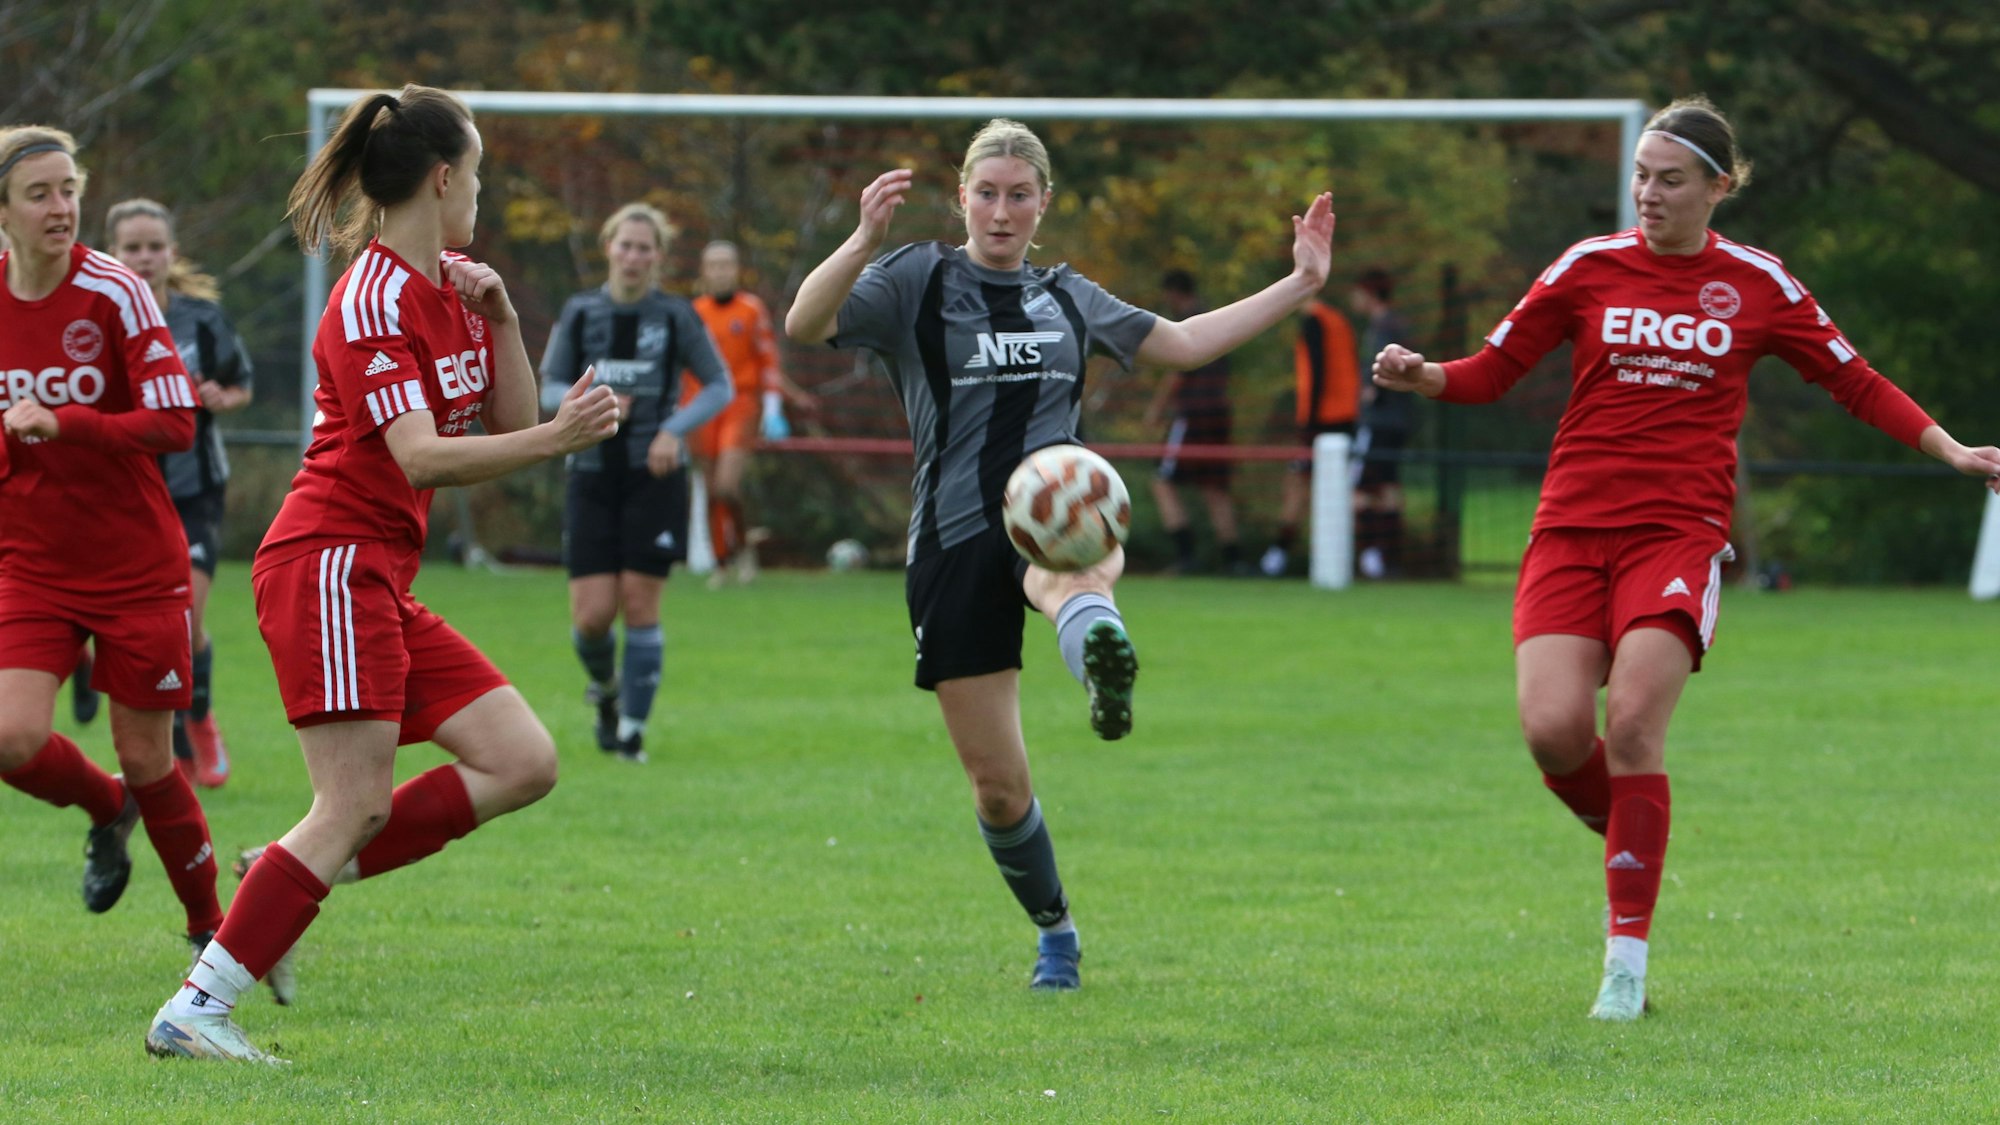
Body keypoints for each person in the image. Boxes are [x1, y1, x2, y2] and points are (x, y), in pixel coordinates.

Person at [1371, 95, 2000, 1021]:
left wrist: (1950, 447)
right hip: (1570, 530)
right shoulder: (1587, 267)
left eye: (1670, 181)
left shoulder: (1759, 285)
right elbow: (1494, 369)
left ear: (1718, 187)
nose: (1648, 196)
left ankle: (1624, 967)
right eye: (1640, 177)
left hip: (1677, 535)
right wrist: (1427, 375)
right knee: (1552, 730)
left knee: (1631, 726)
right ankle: (1633, 831)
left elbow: (1853, 379)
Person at [786, 119, 1333, 990]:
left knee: (1070, 563)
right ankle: (1056, 929)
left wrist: (1301, 283)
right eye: (988, 194)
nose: (1002, 212)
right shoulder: (916, 278)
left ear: (1043, 205)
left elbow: (1185, 342)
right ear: (963, 197)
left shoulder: (1067, 295)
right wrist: (860, 240)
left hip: (1053, 510)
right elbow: (806, 320)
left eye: (1020, 195)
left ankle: (1099, 662)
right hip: (951, 539)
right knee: (999, 788)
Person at [145, 84, 620, 1063]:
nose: (479, 195)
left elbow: (502, 419)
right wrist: (556, 438)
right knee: (353, 801)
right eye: (478, 176)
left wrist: (504, 327)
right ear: (443, 178)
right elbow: (421, 456)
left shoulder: (451, 283)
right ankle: (197, 1006)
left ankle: (273, 879)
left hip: (376, 577)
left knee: (521, 760)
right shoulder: (369, 299)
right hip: (327, 564)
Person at [0, 125, 225, 960]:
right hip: (33, 564)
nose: (61, 208)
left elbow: (173, 420)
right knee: (9, 737)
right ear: (4, 212)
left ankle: (214, 936)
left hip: (135, 567)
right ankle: (104, 807)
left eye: (69, 191)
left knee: (149, 759)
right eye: (40, 194)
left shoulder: (117, 292)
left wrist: (66, 421)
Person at [540, 204, 733, 763]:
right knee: (593, 616)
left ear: (659, 257)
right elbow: (549, 388)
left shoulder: (675, 316)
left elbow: (719, 387)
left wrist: (673, 430)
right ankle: (606, 691)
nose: (633, 256)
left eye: (645, 248)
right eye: (625, 245)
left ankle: (631, 733)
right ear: (608, 246)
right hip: (592, 478)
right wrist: (586, 403)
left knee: (640, 605)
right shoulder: (580, 313)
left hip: (655, 478)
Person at [108, 198, 255, 787]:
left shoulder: (203, 320)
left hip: (195, 488)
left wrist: (223, 397)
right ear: (111, 254)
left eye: (153, 247)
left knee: (186, 617)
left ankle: (200, 720)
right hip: (126, 491)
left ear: (171, 252)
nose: (143, 258)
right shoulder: (98, 319)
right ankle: (168, 748)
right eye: (131, 248)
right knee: (142, 626)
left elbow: (240, 383)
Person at [685, 239, 816, 585]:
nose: (720, 271)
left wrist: (775, 406)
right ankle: (721, 564)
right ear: (703, 271)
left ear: (737, 269)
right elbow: (684, 368)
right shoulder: (694, 312)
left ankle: (742, 548)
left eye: (726, 264)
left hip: (741, 405)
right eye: (713, 265)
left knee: (727, 486)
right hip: (702, 408)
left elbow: (767, 360)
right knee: (712, 489)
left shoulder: (750, 309)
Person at [1142, 269, 1245, 575]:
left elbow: (1176, 369)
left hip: (1193, 413)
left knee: (1162, 481)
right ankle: (1234, 561)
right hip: (1220, 413)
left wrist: (1155, 411)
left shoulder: (1186, 324)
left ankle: (1187, 556)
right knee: (1215, 489)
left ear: (1173, 293)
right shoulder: (1215, 318)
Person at [1259, 287, 1360, 576]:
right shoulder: (1338, 319)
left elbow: (1318, 372)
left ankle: (1278, 555)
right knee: (1339, 488)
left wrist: (1309, 425)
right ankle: (1365, 555)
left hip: (1322, 420)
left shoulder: (1314, 321)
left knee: (1297, 487)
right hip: (1345, 416)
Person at [1350, 267, 1414, 579]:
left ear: (1369, 292)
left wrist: (1367, 394)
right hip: (1398, 421)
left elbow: (1376, 382)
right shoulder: (1397, 324)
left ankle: (1368, 556)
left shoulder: (1383, 328)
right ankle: (1390, 559)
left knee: (1360, 488)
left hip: (1379, 421)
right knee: (1388, 486)